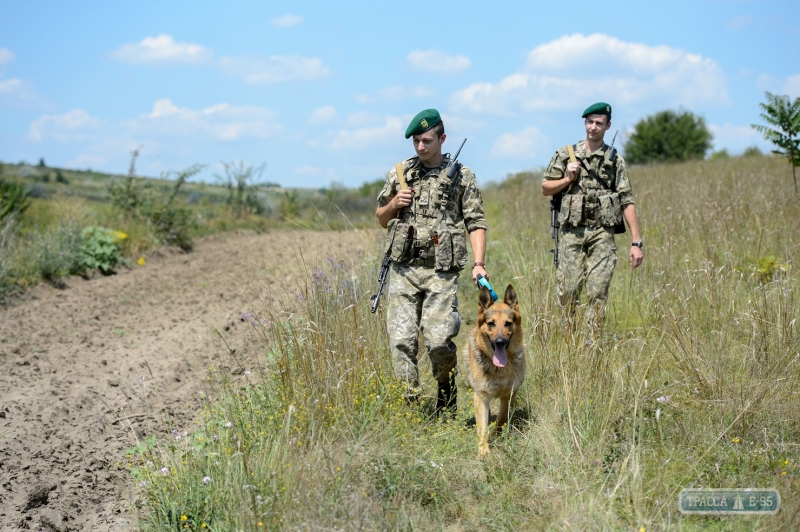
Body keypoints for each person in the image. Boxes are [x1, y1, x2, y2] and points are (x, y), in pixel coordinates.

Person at [376, 108, 488, 417]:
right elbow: (381, 218)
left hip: (440, 271)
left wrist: (479, 263)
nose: (421, 147)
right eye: (416, 141)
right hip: (404, 269)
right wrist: (394, 204)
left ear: (442, 138)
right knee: (401, 341)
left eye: (427, 140)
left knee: (438, 341)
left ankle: (446, 391)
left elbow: (476, 222)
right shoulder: (401, 174)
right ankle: (408, 407)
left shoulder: (462, 177)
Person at [541, 102, 643, 338]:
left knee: (598, 290)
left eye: (599, 123)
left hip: (602, 234)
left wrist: (636, 241)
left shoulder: (614, 160)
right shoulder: (566, 154)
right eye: (589, 122)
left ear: (608, 125)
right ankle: (569, 341)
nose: (593, 127)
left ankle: (592, 344)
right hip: (570, 233)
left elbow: (626, 198)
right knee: (567, 290)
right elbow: (546, 188)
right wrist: (567, 178)